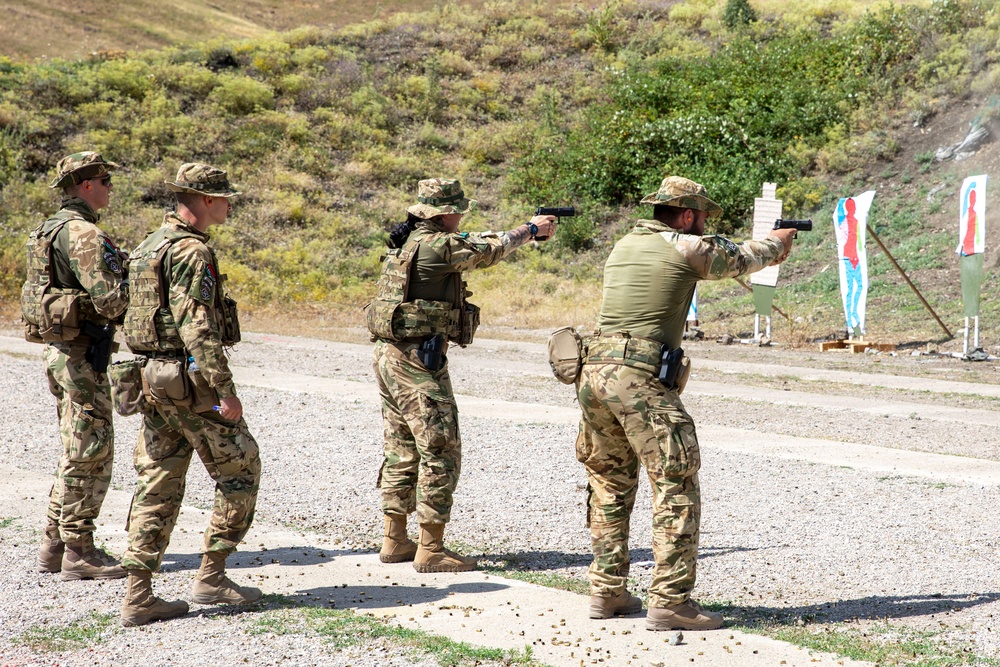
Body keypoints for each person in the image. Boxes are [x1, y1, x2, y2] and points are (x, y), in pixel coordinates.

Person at [575, 176, 795, 631]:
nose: (703, 227)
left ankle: (607, 592)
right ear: (689, 215)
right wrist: (777, 242)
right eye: (701, 219)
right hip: (637, 379)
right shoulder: (683, 246)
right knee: (676, 482)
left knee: (610, 483)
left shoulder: (623, 245)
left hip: (593, 374)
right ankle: (671, 602)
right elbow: (743, 258)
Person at [366, 178, 556, 573]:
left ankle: (395, 539)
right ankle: (431, 549)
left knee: (402, 448)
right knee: (440, 448)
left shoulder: (408, 241)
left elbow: (477, 239)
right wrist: (531, 230)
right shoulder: (439, 245)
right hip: (418, 361)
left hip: (391, 356)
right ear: (445, 213)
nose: (462, 216)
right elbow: (488, 249)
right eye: (459, 210)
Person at [118, 163, 261, 626]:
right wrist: (225, 390)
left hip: (150, 378)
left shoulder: (148, 244)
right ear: (203, 199)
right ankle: (212, 575)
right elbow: (195, 324)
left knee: (157, 481)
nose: (230, 203)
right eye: (224, 197)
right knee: (241, 469)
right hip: (188, 382)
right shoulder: (192, 251)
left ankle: (139, 595)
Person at [21, 151, 130, 581]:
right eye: (105, 180)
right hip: (80, 353)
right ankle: (79, 550)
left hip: (60, 350)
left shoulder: (45, 230)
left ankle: (54, 542)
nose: (109, 187)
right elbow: (111, 299)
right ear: (86, 185)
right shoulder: (83, 234)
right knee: (91, 450)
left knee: (75, 447)